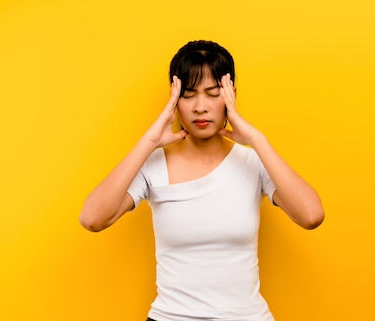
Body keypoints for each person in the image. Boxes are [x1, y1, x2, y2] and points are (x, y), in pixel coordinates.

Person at [79, 40, 324, 321]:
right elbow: (92, 218)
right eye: (188, 94)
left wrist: (258, 140)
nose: (200, 107)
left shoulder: (254, 163)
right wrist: (148, 142)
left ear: (231, 95)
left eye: (212, 93)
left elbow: (311, 215)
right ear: (173, 99)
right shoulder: (154, 166)